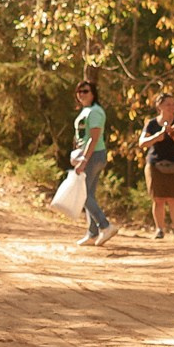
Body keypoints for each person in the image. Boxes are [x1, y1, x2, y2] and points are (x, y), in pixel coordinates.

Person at [70, 78, 120, 246]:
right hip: (88, 155)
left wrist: (84, 159)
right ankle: (92, 233)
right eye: (79, 91)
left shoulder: (96, 111)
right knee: (88, 194)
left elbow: (94, 137)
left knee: (83, 195)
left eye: (86, 91)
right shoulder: (86, 111)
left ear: (93, 94)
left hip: (93, 155)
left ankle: (105, 226)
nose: (82, 94)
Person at [137, 92, 174, 237]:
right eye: (168, 104)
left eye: (173, 104)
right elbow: (142, 143)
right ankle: (159, 229)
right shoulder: (151, 124)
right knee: (158, 199)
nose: (172, 107)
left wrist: (172, 133)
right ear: (159, 106)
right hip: (155, 164)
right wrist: (157, 136)